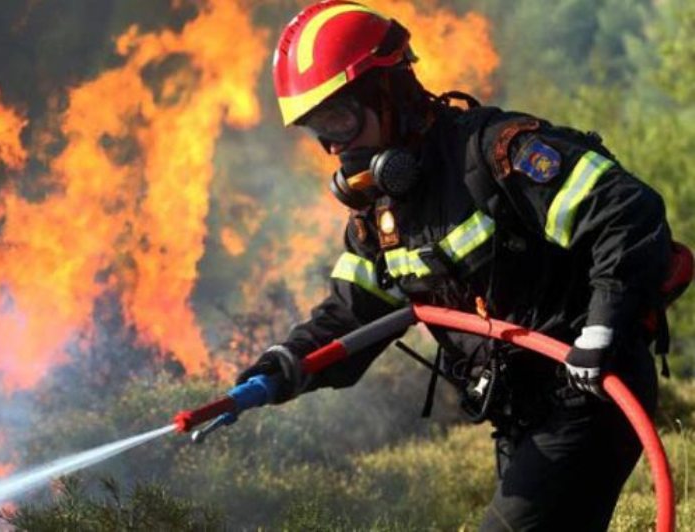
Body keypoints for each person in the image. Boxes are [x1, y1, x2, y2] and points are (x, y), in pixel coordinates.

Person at [236, 1, 683, 530]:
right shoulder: (383, 217)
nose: (333, 146)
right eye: (319, 129)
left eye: (339, 119)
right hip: (520, 414)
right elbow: (354, 313)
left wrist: (601, 330)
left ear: (388, 92)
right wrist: (285, 363)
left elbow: (626, 212)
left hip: (588, 390)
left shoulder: (496, 153)